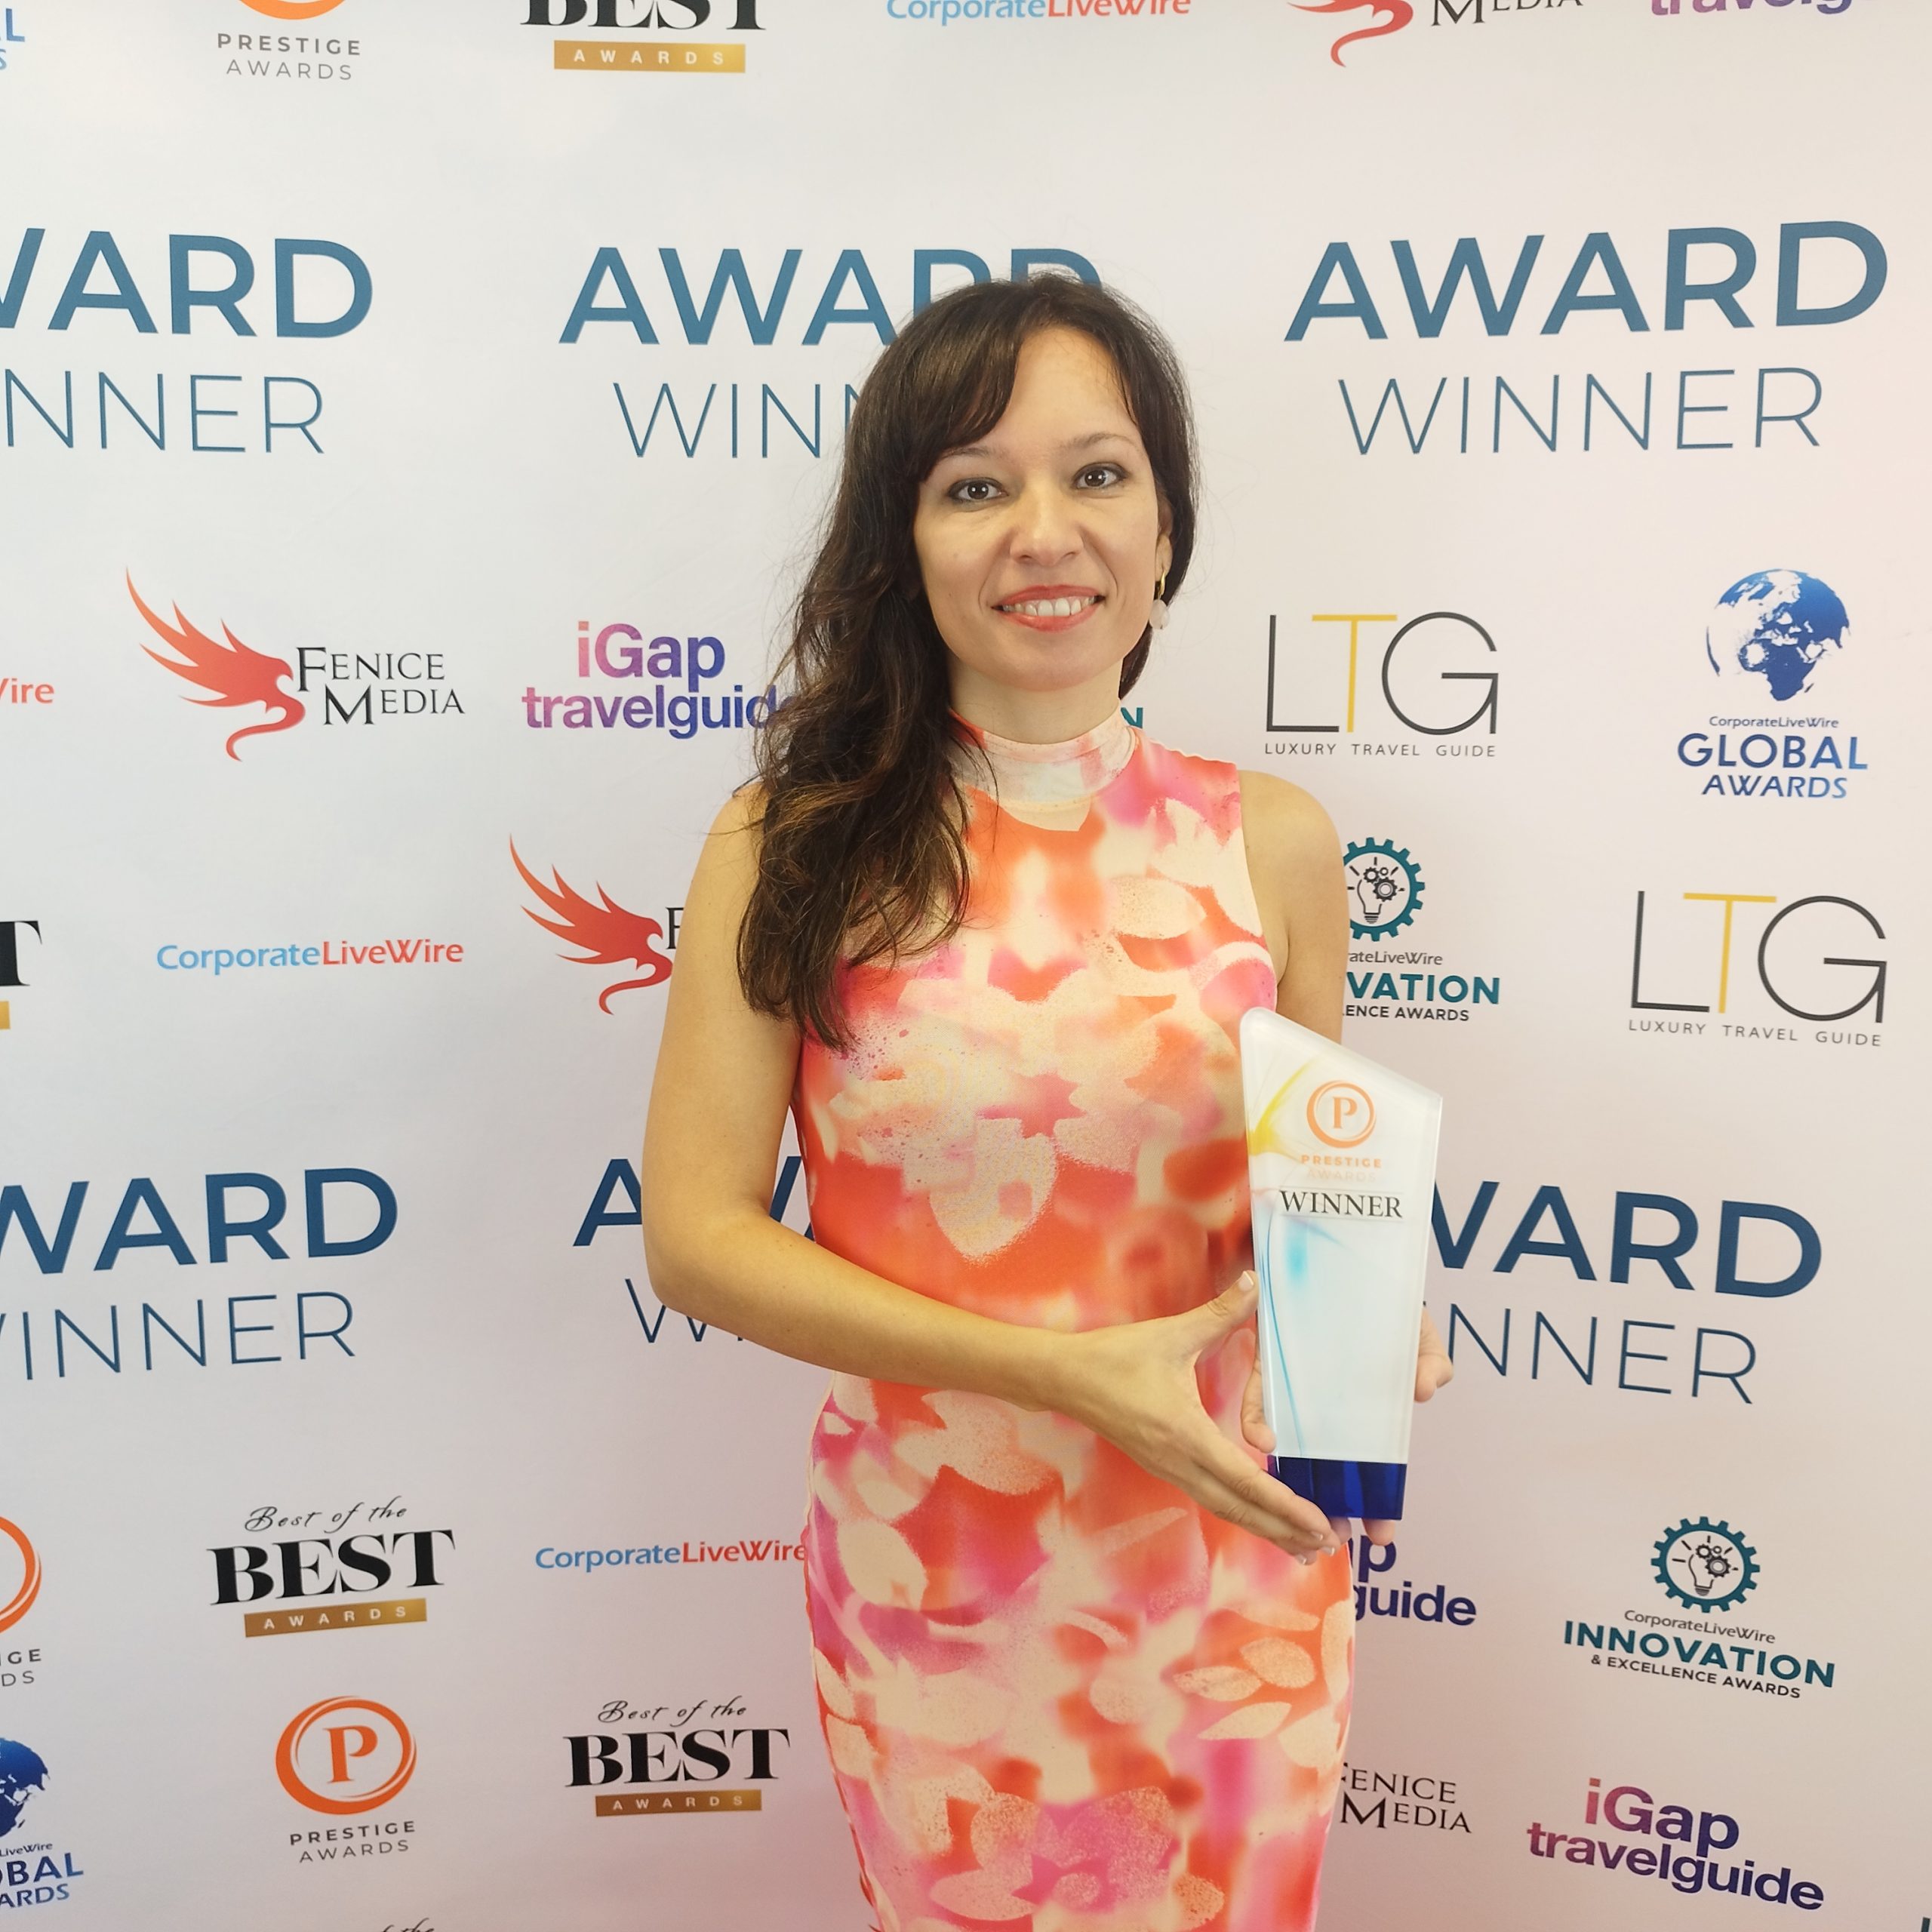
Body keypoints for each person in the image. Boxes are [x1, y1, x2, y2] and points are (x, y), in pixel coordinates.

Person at [641, 275, 1451, 1932]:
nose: (1044, 532)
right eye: (974, 485)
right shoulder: (787, 844)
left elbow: (1313, 1190)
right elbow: (697, 1235)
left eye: (1097, 474)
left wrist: (1367, 1312)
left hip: (1234, 1570)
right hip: (941, 1580)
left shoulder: (1275, 839)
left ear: (1164, 526)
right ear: (903, 540)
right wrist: (1061, 1374)